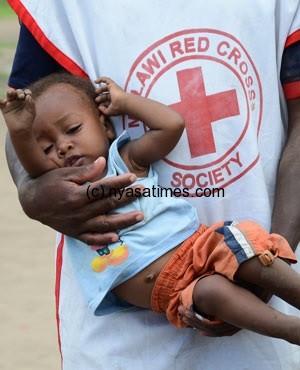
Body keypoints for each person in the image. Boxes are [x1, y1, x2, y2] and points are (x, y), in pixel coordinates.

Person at [5, 1, 300, 369]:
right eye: (50, 148)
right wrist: (33, 194)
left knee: (250, 253)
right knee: (214, 288)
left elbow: (172, 126)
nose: (62, 147)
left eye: (74, 131)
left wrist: (274, 264)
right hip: (126, 336)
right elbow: (29, 123)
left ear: (106, 125)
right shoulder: (62, 8)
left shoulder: (124, 158)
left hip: (221, 257)